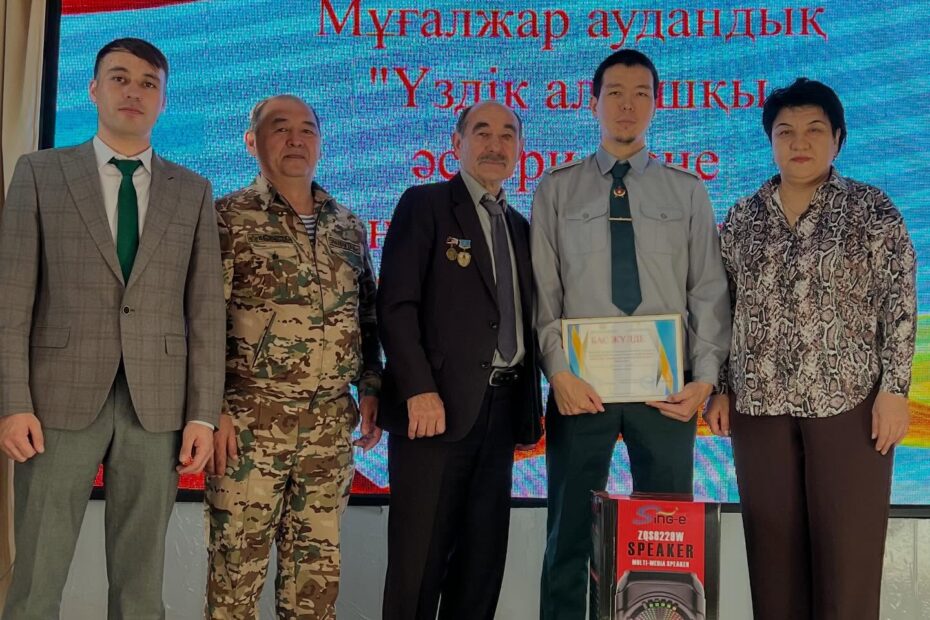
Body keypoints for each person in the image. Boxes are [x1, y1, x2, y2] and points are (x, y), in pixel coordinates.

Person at [0, 38, 225, 619]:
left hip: (158, 408)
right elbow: (12, 298)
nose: (134, 91)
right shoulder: (40, 173)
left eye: (149, 83)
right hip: (54, 402)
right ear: (94, 90)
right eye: (120, 78)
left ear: (164, 100)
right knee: (36, 578)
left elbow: (205, 312)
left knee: (140, 583)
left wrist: (202, 414)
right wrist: (12, 402)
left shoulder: (192, 190)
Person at [704, 77, 916, 620]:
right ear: (770, 140)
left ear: (838, 138)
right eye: (786, 131)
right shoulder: (743, 217)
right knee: (773, 561)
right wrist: (721, 387)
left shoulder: (872, 210)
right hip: (758, 405)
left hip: (851, 403)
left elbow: (899, 301)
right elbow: (723, 308)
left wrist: (895, 390)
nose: (800, 142)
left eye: (815, 130)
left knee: (848, 560)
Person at [531, 49, 730, 619]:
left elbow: (707, 290)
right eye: (615, 93)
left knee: (666, 541)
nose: (627, 105)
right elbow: (544, 293)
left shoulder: (686, 191)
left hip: (667, 394)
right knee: (567, 537)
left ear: (656, 104)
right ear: (592, 102)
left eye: (641, 93)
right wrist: (558, 372)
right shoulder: (557, 190)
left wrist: (705, 380)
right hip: (580, 390)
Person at [205, 94, 382, 619]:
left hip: (329, 426)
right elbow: (201, 322)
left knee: (315, 584)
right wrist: (210, 409)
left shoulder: (346, 225)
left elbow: (368, 317)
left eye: (307, 129)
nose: (296, 139)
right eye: (280, 128)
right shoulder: (226, 219)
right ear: (252, 141)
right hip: (249, 423)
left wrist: (371, 387)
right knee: (235, 578)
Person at [378, 100, 543, 620]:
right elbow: (395, 306)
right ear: (456, 143)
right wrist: (418, 388)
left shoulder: (521, 226)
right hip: (433, 413)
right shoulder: (424, 204)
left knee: (480, 568)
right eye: (482, 132)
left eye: (508, 134)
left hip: (502, 413)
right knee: (417, 568)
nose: (496, 144)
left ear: (520, 149)